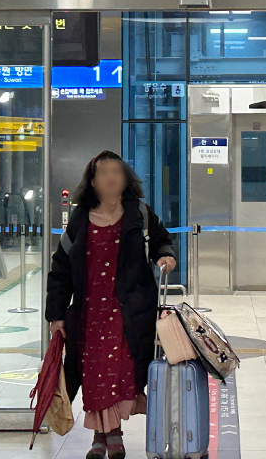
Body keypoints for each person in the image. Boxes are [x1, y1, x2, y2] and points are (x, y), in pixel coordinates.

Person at [46, 151, 177, 459]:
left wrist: (165, 254)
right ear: (92, 181)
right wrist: (56, 314)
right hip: (89, 311)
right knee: (93, 373)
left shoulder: (139, 214)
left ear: (126, 179)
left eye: (117, 172)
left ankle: (111, 433)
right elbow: (60, 270)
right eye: (104, 172)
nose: (111, 178)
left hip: (128, 310)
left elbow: (161, 240)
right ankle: (100, 434)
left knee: (119, 370)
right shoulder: (78, 221)